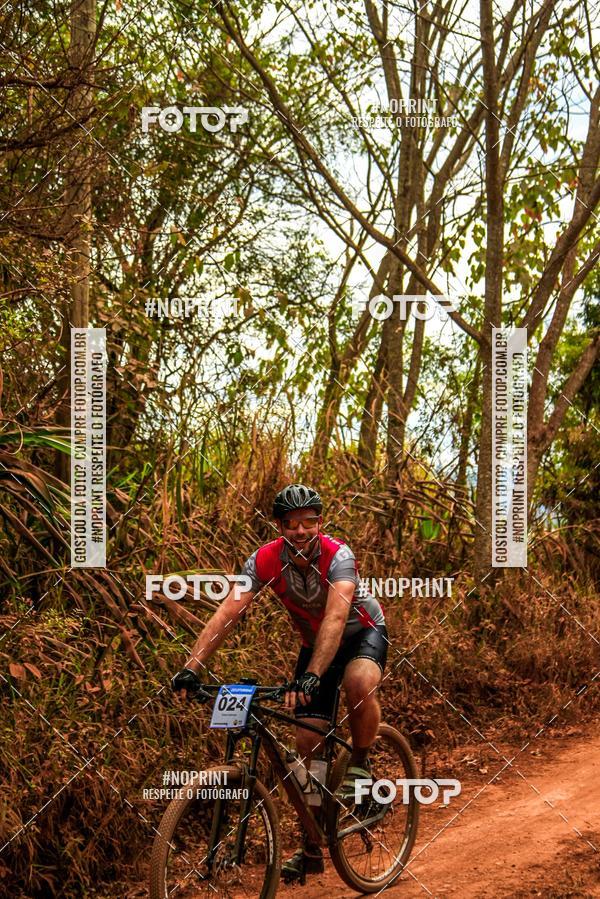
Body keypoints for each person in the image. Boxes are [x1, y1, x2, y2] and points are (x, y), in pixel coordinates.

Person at [171, 483, 388, 881]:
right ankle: (312, 846)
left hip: (361, 634)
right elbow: (227, 613)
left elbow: (337, 619)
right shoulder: (263, 561)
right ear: (280, 527)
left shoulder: (339, 556)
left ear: (319, 524)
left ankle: (361, 767)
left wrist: (310, 677)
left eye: (309, 523)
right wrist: (193, 667)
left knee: (358, 682)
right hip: (314, 644)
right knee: (307, 746)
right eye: (292, 524)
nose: (301, 531)